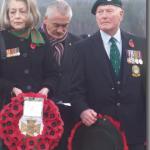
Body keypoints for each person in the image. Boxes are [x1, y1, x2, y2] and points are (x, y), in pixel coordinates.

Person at [70, 0, 146, 150]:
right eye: (100, 12)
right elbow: (75, 89)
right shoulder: (82, 49)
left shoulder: (141, 45)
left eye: (109, 11)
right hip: (100, 132)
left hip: (135, 132)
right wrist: (82, 110)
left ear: (121, 14)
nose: (104, 16)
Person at [0, 0, 58, 148]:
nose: (17, 16)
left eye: (22, 11)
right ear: (6, 14)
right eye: (12, 12)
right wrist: (12, 89)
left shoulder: (42, 38)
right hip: (8, 112)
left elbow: (53, 73)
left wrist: (46, 88)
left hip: (40, 114)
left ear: (31, 13)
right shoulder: (1, 39)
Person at [39, 0, 81, 149]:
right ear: (45, 19)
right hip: (38, 115)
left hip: (68, 118)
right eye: (56, 25)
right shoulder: (29, 41)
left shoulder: (78, 44)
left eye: (65, 25)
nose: (60, 30)